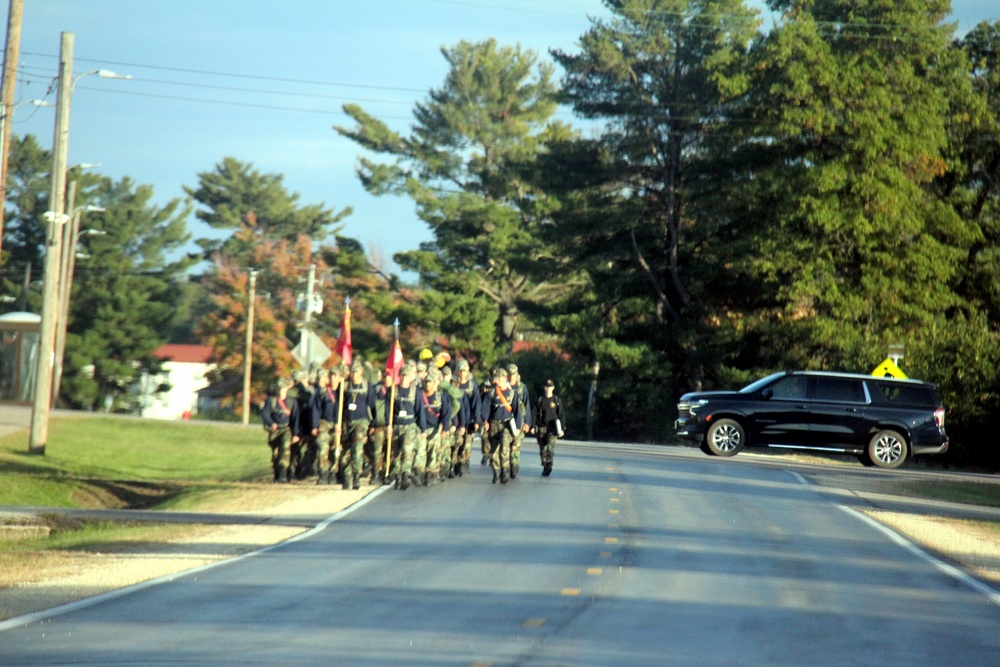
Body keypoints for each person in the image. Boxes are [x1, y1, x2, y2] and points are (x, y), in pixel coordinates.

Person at [481, 367, 520, 484]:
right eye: (495, 378)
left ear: (504, 378)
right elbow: (485, 409)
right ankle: (496, 472)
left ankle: (505, 470)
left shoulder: (512, 394)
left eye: (498, 378)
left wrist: (518, 427)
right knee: (494, 450)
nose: (496, 380)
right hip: (494, 424)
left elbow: (517, 411)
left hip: (506, 425)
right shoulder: (491, 394)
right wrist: (485, 421)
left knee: (504, 448)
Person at [341, 360, 376, 490]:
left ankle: (356, 476)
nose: (354, 374)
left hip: (362, 421)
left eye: (356, 371)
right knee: (345, 451)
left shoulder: (368, 385)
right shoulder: (344, 386)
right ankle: (346, 475)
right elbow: (340, 406)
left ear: (361, 372)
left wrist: (373, 424)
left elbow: (372, 406)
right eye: (352, 371)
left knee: (357, 449)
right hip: (347, 422)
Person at [417, 367, 452, 485]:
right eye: (426, 382)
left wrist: (445, 428)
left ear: (434, 383)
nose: (427, 384)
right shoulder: (419, 395)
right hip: (421, 428)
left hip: (435, 428)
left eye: (430, 382)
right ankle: (420, 472)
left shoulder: (440, 397)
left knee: (433, 452)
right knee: (421, 452)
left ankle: (431, 473)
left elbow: (446, 413)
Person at [262, 377, 299, 483]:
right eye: (279, 388)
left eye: (282, 388)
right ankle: (277, 474)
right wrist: (271, 423)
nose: (280, 391)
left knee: (285, 449)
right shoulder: (271, 400)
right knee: (275, 453)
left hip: (286, 429)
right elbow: (265, 414)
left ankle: (283, 474)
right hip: (275, 430)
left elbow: (295, 419)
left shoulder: (292, 402)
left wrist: (295, 433)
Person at [311, 367, 343, 485]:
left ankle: (334, 473)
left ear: (340, 378)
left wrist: (339, 424)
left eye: (336, 376)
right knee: (323, 448)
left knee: (336, 449)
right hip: (324, 422)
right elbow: (316, 409)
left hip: (339, 424)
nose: (333, 378)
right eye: (331, 376)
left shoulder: (343, 392)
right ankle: (323, 473)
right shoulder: (323, 392)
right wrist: (315, 425)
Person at [392, 362, 421, 489]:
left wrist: (423, 428)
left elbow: (420, 410)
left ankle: (406, 474)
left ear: (411, 377)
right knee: (396, 452)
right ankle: (397, 475)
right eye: (402, 375)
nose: (404, 377)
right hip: (396, 424)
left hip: (410, 425)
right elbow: (389, 409)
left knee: (407, 450)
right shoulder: (394, 390)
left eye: (406, 375)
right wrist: (389, 425)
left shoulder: (415, 391)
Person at [453, 358, 481, 476]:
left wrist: (477, 420)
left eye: (464, 370)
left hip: (469, 419)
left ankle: (464, 462)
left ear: (468, 370)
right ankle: (455, 463)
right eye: (460, 370)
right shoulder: (454, 384)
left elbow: (477, 403)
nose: (462, 373)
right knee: (456, 442)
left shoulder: (472, 384)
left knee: (467, 443)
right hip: (457, 419)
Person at [533, 379, 565, 476]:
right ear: (544, 388)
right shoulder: (540, 400)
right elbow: (534, 413)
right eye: (546, 387)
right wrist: (533, 426)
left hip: (553, 428)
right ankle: (545, 465)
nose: (548, 389)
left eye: (550, 387)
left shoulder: (556, 400)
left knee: (550, 447)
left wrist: (562, 428)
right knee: (543, 449)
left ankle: (549, 464)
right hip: (541, 427)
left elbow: (561, 415)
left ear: (553, 388)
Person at [368, 368, 394, 486]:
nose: (386, 378)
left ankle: (387, 472)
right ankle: (376, 473)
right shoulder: (377, 389)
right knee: (377, 451)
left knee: (390, 451)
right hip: (379, 424)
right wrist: (372, 424)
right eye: (385, 376)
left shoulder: (395, 390)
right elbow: (372, 408)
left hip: (392, 425)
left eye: (389, 376)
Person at [507, 364, 532, 480]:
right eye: (509, 374)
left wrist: (527, 422)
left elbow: (527, 405)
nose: (511, 377)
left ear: (516, 375)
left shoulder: (522, 388)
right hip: (506, 420)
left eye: (513, 374)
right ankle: (505, 466)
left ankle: (514, 467)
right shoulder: (503, 388)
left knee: (516, 445)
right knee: (506, 445)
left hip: (519, 420)